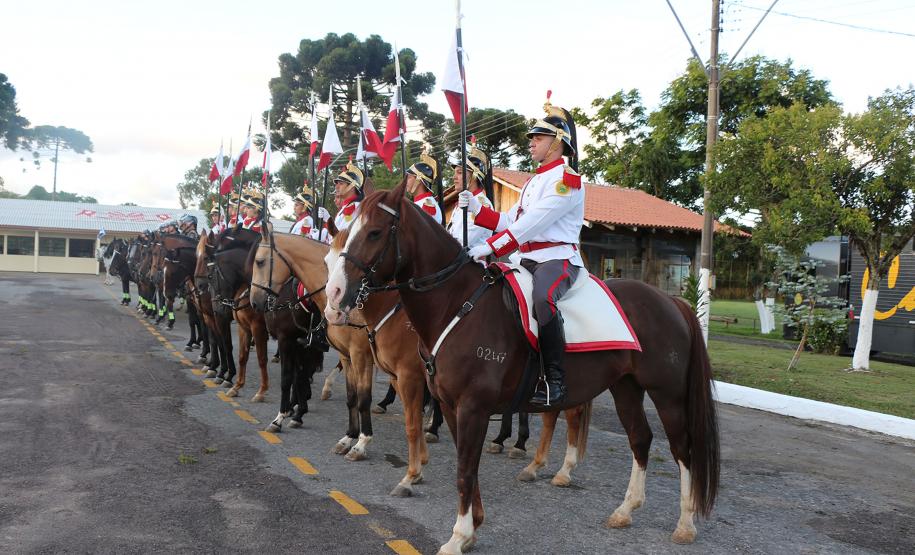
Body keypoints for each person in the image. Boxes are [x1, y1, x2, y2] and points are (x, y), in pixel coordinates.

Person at [458, 92, 584, 406]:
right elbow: (508, 219)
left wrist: (487, 247)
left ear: (556, 142)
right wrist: (475, 206)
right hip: (526, 258)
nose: (531, 142)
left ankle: (555, 380)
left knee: (543, 298)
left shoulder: (566, 181)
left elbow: (530, 226)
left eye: (537, 137)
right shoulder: (533, 182)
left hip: (557, 259)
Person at [448, 144, 495, 250]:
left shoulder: (482, 205)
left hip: (472, 263)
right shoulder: (461, 202)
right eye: (455, 173)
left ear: (474, 176)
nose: (454, 177)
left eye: (459, 173)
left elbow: (463, 242)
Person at [405, 149, 443, 224]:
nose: (405, 181)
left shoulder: (427, 204)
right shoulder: (419, 202)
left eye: (409, 178)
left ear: (419, 179)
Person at [327, 161, 364, 236]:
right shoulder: (346, 207)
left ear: (352, 186)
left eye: (341, 184)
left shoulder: (355, 206)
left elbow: (343, 231)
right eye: (337, 184)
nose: (336, 187)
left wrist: (328, 220)